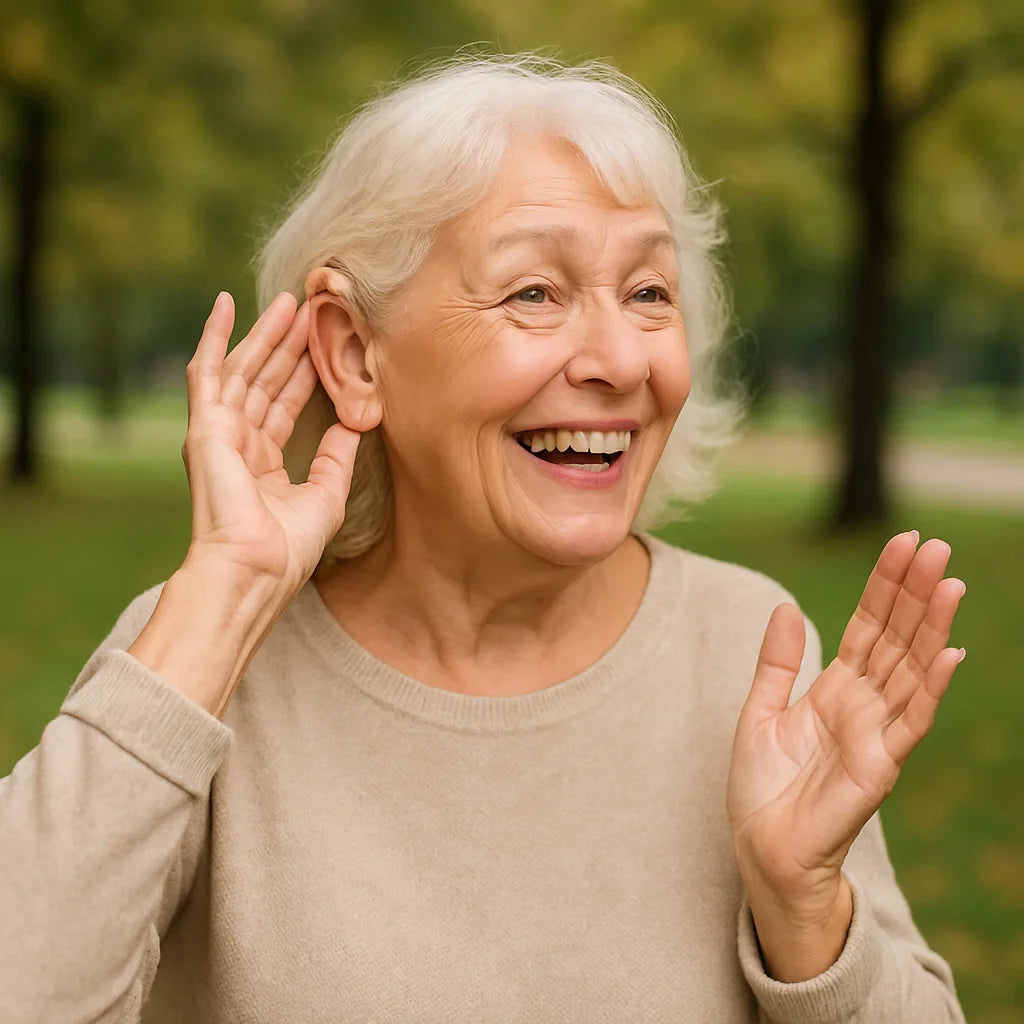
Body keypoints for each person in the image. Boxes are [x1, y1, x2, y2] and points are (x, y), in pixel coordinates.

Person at [1, 55, 967, 1022]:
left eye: (648, 292)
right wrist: (224, 596)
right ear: (353, 353)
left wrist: (807, 915)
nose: (621, 361)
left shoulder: (751, 649)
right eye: (535, 293)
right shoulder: (191, 666)